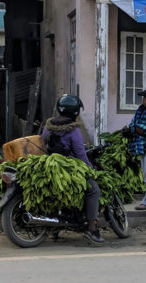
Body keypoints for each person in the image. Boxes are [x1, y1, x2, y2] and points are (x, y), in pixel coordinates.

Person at [41, 94, 103, 243]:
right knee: (94, 190)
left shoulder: (48, 128)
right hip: (69, 170)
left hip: (50, 166)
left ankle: (55, 229)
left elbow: (43, 145)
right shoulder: (74, 131)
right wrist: (90, 169)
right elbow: (81, 155)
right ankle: (92, 228)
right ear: (75, 112)